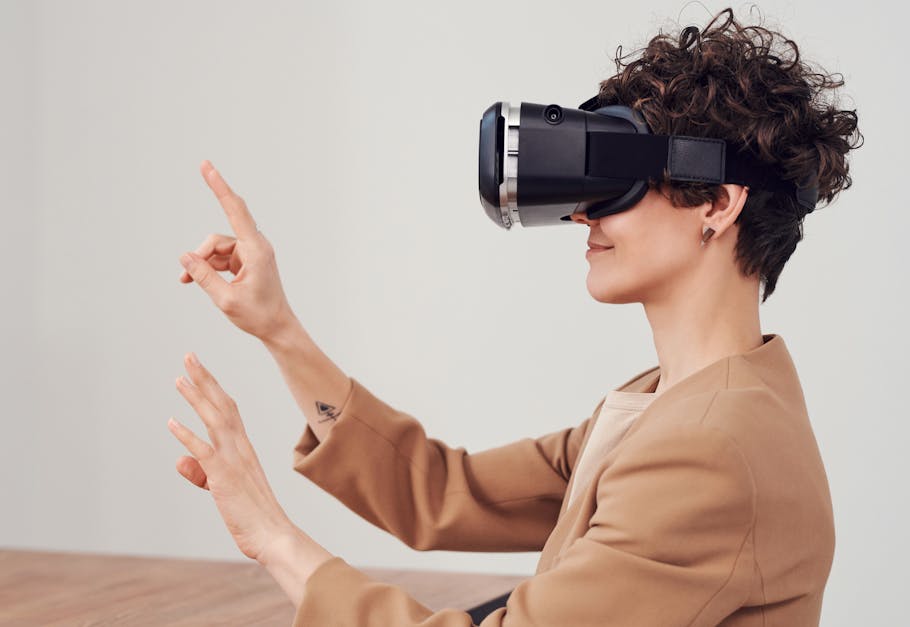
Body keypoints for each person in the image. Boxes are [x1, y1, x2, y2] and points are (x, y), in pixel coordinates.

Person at [167, 7, 862, 626]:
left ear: (717, 203)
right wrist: (278, 327)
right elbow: (443, 493)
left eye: (613, 177)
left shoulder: (714, 450)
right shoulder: (672, 405)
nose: (582, 211)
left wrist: (269, 533)